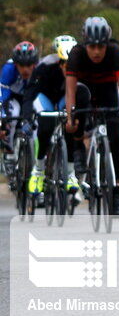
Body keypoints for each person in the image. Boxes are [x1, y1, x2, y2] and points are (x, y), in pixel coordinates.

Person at [65, 17, 119, 216]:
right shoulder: (76, 54)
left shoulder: (115, 52)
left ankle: (116, 192)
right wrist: (70, 117)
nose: (96, 52)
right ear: (85, 44)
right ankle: (78, 146)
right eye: (92, 47)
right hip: (84, 90)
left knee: (115, 138)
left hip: (107, 92)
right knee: (78, 106)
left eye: (100, 47)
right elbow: (70, 91)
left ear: (107, 44)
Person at [21, 35, 81, 204]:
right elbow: (30, 93)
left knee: (70, 125)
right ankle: (38, 171)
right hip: (45, 96)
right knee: (45, 126)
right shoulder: (44, 66)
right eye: (66, 66)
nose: (69, 70)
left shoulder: (80, 68)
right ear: (60, 62)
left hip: (64, 97)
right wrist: (27, 118)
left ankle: (70, 174)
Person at [1, 40, 39, 144]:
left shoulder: (39, 69)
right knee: (13, 115)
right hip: (13, 96)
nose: (25, 70)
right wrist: (4, 118)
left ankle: (35, 154)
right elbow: (3, 95)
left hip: (31, 98)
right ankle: (9, 149)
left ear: (34, 64)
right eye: (21, 65)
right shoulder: (8, 69)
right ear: (15, 64)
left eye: (29, 65)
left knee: (37, 119)